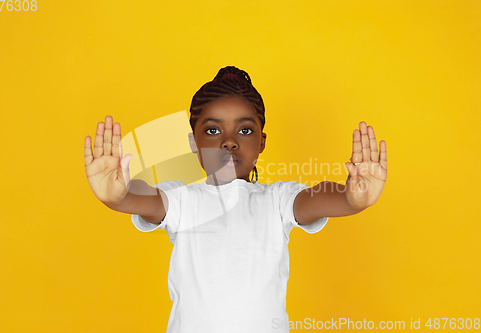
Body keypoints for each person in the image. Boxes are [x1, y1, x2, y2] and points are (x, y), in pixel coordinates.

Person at [84, 66, 387, 333]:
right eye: (213, 130)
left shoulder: (276, 201)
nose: (229, 141)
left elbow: (315, 199)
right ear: (194, 142)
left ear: (261, 142)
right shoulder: (183, 200)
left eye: (244, 129)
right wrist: (119, 196)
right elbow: (147, 198)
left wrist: (351, 199)